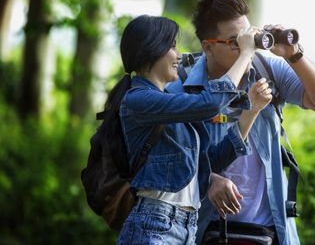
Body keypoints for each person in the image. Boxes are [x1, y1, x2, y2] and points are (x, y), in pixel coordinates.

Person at [167, 0, 315, 244]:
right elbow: (169, 157)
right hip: (204, 228)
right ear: (208, 47)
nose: (245, 48)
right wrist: (207, 179)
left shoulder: (267, 70)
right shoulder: (183, 84)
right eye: (234, 42)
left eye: (247, 37)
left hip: (267, 229)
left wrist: (293, 55)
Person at [106, 15, 272, 244]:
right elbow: (209, 104)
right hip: (154, 224)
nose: (179, 55)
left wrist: (251, 112)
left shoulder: (171, 103)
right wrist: (245, 53)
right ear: (152, 50)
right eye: (172, 46)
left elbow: (213, 160)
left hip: (186, 227)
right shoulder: (138, 100)